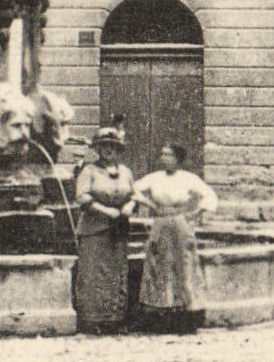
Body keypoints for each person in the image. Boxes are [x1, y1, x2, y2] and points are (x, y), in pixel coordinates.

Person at [132, 143, 218, 329]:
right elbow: (132, 190)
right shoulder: (154, 178)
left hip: (180, 224)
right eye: (163, 154)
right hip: (160, 224)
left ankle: (186, 314)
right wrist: (150, 204)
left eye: (169, 155)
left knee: (184, 264)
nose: (165, 158)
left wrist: (196, 213)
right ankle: (161, 314)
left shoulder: (188, 178)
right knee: (159, 264)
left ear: (178, 159)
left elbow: (210, 195)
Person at [73, 124, 135, 332]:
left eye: (112, 146)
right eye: (103, 146)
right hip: (95, 228)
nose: (108, 150)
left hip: (119, 228)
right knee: (95, 272)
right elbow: (82, 197)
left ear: (118, 150)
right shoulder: (89, 171)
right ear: (97, 149)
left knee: (117, 271)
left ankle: (116, 318)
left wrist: (129, 206)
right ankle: (93, 320)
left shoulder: (126, 172)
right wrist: (105, 211)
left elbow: (133, 194)